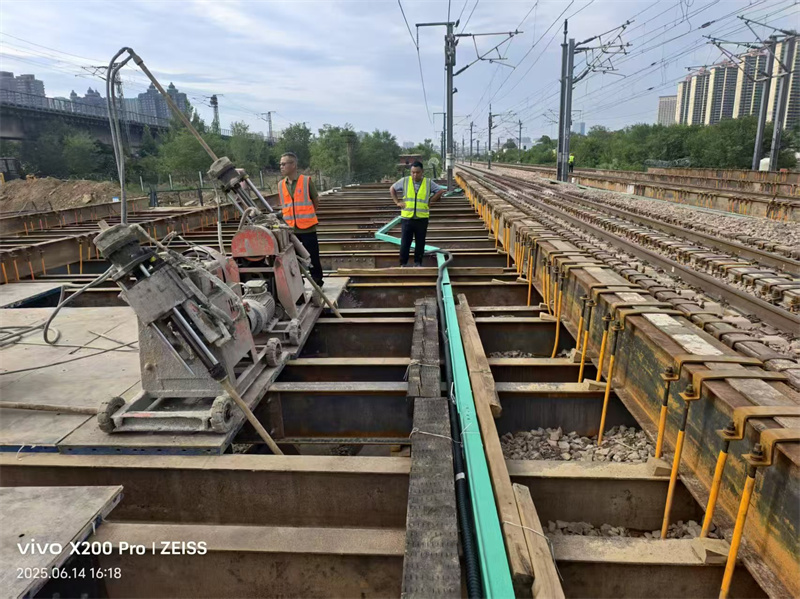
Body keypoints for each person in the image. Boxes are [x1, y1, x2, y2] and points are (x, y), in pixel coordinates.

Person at [278, 152, 324, 286]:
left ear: (293, 165)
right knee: (293, 258)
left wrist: (307, 214)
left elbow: (315, 201)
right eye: (280, 164)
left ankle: (317, 282)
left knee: (313, 256)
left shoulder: (306, 181)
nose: (281, 167)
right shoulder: (281, 185)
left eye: (284, 164)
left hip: (307, 227)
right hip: (290, 229)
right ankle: (298, 284)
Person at [389, 161, 445, 267]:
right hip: (407, 218)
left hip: (421, 218)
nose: (415, 175)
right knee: (405, 243)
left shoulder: (428, 182)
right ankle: (403, 264)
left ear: (422, 171)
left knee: (420, 243)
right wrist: (397, 202)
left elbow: (440, 190)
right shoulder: (405, 181)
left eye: (417, 172)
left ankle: (418, 263)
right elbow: (392, 188)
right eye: (413, 172)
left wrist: (431, 201)